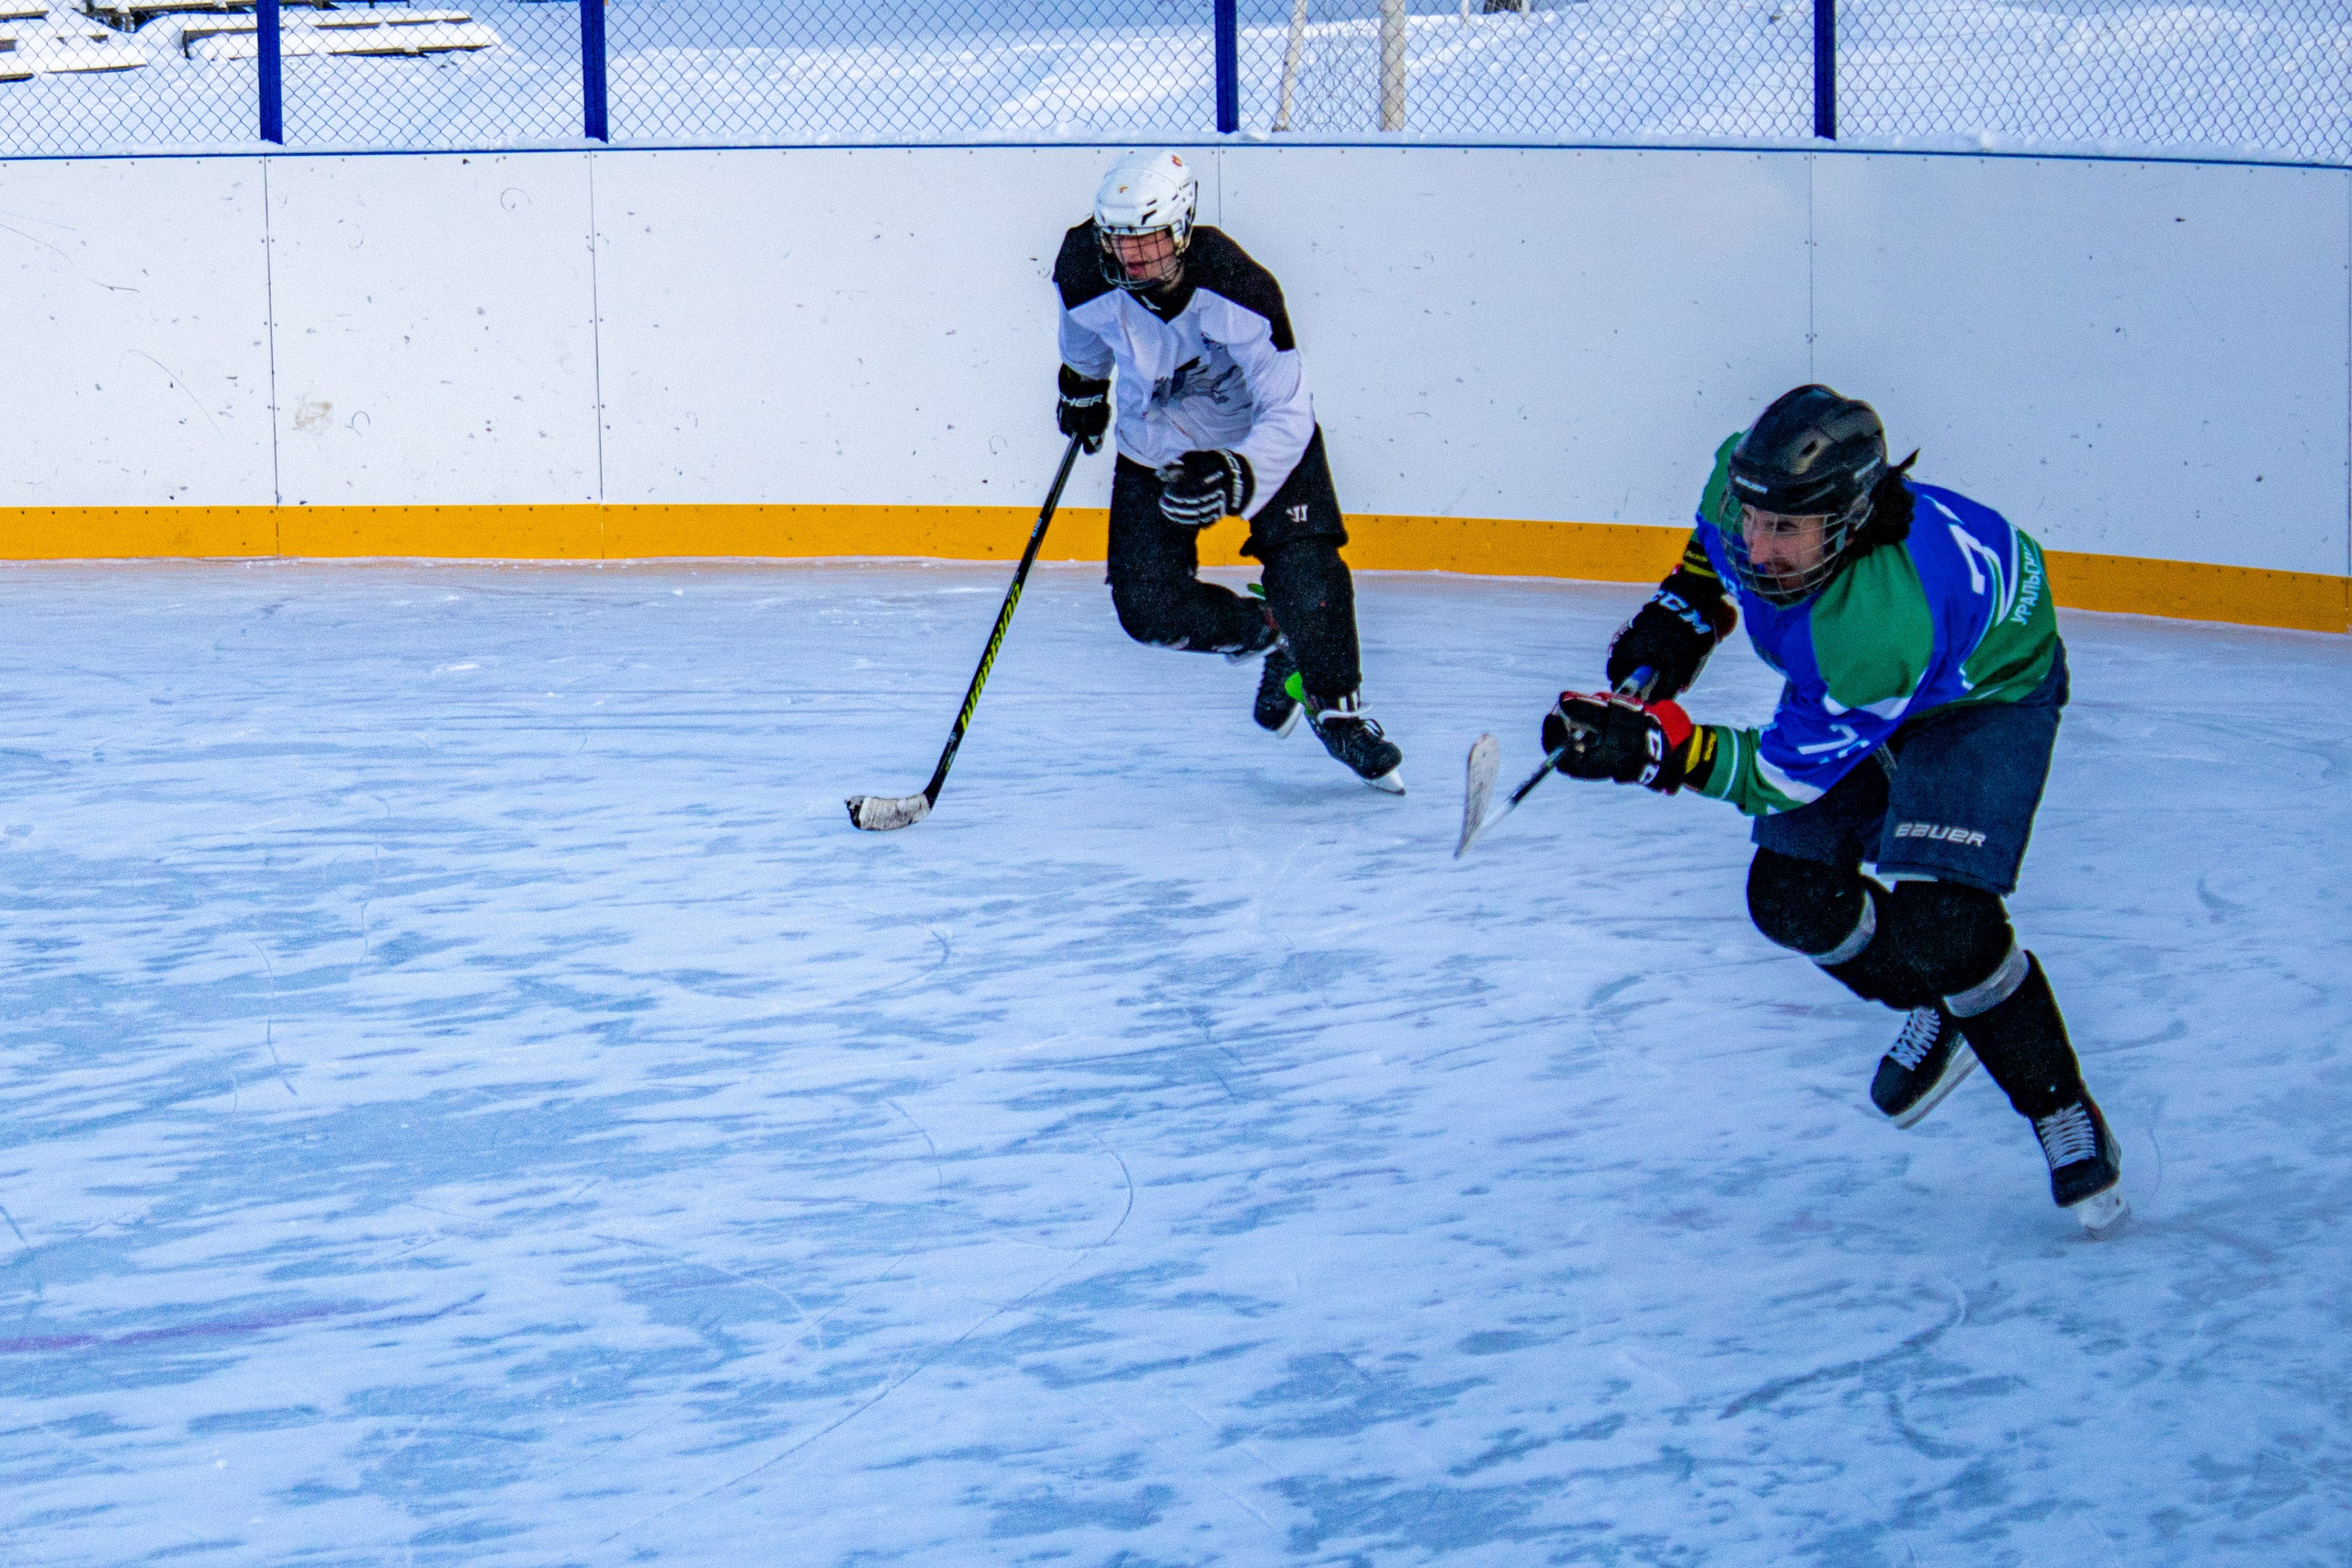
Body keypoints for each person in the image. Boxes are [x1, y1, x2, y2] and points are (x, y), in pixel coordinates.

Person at [1541, 385, 2124, 1232]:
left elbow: (1784, 778)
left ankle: (2058, 1104)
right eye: (1754, 519)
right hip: (1882, 675)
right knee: (1788, 896)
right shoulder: (1745, 483)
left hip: (1981, 694)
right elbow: (1711, 557)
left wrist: (1660, 750)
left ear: (1847, 524)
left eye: (1787, 532)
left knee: (1946, 928)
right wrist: (1680, 617)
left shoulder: (1874, 628)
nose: (1759, 544)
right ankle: (1946, 1006)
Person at [1052, 150, 1403, 794]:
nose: (1133, 259)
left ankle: (1339, 710)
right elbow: (1082, 330)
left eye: (1150, 241)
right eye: (1120, 242)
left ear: (1182, 229)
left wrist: (1240, 473)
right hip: (1155, 438)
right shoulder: (1083, 267)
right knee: (1148, 610)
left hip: (1258, 439)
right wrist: (1080, 386)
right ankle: (1274, 636)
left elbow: (1290, 410)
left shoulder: (1240, 288)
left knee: (1306, 568)